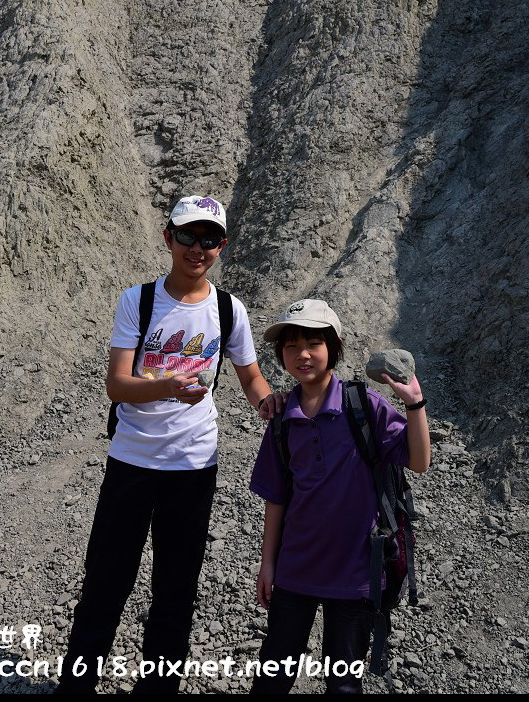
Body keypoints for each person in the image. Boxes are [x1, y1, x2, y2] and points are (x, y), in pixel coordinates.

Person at [55, 195, 280, 695]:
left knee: (176, 591)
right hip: (132, 459)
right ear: (167, 238)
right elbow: (117, 385)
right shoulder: (137, 300)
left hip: (194, 465)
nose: (196, 249)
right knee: (105, 584)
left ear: (221, 247)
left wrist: (271, 405)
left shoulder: (229, 309)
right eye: (186, 236)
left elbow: (251, 378)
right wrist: (169, 387)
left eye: (209, 240)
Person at [248, 299, 431, 695]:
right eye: (291, 346)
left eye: (313, 343)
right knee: (273, 673)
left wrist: (414, 403)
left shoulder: (364, 406)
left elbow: (418, 462)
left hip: (355, 574)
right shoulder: (281, 418)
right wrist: (268, 563)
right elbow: (276, 498)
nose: (302, 354)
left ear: (334, 346)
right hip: (295, 569)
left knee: (344, 682)